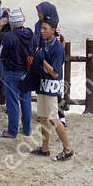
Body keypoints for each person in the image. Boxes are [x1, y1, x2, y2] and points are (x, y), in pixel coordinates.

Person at [32, 18, 73, 160]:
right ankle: (44, 148)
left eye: (45, 29)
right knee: (43, 117)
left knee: (54, 119)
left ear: (53, 30)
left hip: (51, 86)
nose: (42, 31)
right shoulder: (44, 44)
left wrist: (41, 60)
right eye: (41, 29)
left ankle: (67, 150)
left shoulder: (58, 48)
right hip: (42, 84)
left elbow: (55, 72)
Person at [0, 8, 35, 138]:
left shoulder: (9, 37)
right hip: (27, 72)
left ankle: (12, 131)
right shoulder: (30, 33)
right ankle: (27, 129)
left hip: (12, 72)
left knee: (12, 102)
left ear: (12, 23)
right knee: (26, 100)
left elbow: (1, 54)